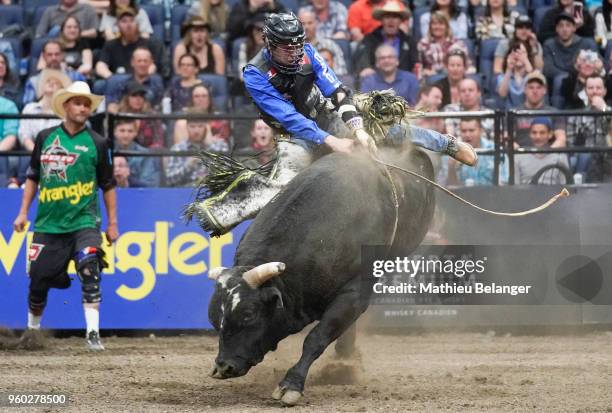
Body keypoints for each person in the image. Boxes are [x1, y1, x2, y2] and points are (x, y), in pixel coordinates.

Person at [192, 12, 478, 236]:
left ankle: (448, 144)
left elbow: (336, 89)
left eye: (297, 45)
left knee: (391, 130)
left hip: (329, 112)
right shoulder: (255, 74)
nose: (295, 52)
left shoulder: (307, 51)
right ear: (270, 44)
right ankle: (228, 210)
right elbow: (289, 117)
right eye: (286, 48)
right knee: (281, 185)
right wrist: (332, 141)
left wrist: (358, 129)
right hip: (295, 136)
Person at [12, 81, 117, 351]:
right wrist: (23, 211)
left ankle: (93, 334)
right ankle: (32, 332)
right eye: (78, 103)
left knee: (90, 266)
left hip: (84, 221)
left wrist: (113, 222)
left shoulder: (98, 142)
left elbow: (108, 184)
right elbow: (32, 176)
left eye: (87, 104)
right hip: (48, 224)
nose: (83, 108)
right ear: (66, 106)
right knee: (38, 281)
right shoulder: (45, 137)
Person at [95, 7, 168, 80]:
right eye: (124, 21)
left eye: (132, 20)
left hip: (144, 81)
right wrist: (112, 78)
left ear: (137, 24)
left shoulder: (151, 44)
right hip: (119, 82)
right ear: (117, 25)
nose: (128, 25)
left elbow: (154, 67)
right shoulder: (111, 45)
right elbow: (101, 65)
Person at [353, 1, 418, 78]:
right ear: (381, 20)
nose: (391, 20)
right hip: (376, 81)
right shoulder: (370, 39)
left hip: (403, 83)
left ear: (400, 21)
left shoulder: (409, 41)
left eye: (395, 17)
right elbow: (364, 61)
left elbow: (415, 64)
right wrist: (366, 68)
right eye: (387, 17)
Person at [566, 75, 612, 182]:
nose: (594, 91)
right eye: (591, 88)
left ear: (604, 91)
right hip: (586, 161)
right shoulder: (576, 117)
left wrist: (604, 109)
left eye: (598, 88)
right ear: (586, 92)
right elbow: (571, 146)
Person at [166, 109, 227, 187]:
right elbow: (169, 179)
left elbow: (227, 174)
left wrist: (210, 146)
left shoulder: (220, 146)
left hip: (212, 191)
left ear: (206, 127)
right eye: (192, 126)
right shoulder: (178, 149)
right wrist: (187, 166)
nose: (196, 131)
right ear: (187, 127)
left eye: (200, 126)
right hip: (186, 192)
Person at [19, 70, 71, 153]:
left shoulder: (64, 112)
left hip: (56, 154)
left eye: (56, 83)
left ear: (62, 91)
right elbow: (24, 135)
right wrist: (36, 153)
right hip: (30, 153)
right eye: (48, 81)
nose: (51, 83)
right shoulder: (29, 108)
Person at [445, 117, 507, 186]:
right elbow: (451, 188)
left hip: (492, 194)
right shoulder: (453, 152)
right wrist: (451, 168)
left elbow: (503, 183)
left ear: (481, 131)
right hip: (463, 195)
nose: (467, 135)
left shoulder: (495, 150)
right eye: (464, 131)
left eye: (471, 130)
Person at [23, 40, 86, 106]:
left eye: (57, 54)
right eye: (49, 55)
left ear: (62, 55)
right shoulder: (33, 81)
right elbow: (28, 107)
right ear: (44, 56)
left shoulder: (76, 76)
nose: (54, 58)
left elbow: (85, 102)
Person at [513, 71, 567, 148]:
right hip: (521, 155)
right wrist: (521, 153)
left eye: (539, 87)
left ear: (544, 90)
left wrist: (547, 153)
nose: (535, 91)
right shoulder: (514, 113)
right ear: (525, 90)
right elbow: (507, 139)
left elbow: (561, 139)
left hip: (548, 155)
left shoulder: (554, 113)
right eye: (531, 87)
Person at [542, 12, 598, 83]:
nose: (564, 29)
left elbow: (598, 65)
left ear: (574, 28)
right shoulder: (549, 44)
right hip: (559, 79)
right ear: (556, 29)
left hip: (583, 78)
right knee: (560, 80)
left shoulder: (587, 43)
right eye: (561, 26)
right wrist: (568, 76)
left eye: (568, 25)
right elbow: (548, 68)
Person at [105, 47, 165, 113]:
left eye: (145, 61)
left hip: (148, 118)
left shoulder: (156, 83)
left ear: (151, 62)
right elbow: (112, 103)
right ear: (132, 62)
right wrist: (113, 106)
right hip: (125, 118)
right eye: (139, 61)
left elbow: (159, 104)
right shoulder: (122, 83)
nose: (142, 64)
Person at [417, 12, 473, 80]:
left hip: (454, 78)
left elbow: (467, 65)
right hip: (431, 79)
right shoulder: (423, 44)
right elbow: (418, 66)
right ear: (430, 27)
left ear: (446, 26)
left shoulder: (458, 44)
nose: (437, 27)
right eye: (434, 24)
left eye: (441, 24)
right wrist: (424, 72)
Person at [514, 118, 570, 185]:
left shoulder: (560, 157)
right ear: (529, 134)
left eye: (542, 133)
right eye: (534, 133)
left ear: (550, 134)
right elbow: (515, 186)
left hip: (552, 194)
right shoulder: (518, 157)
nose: (538, 137)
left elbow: (566, 185)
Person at [298, 9, 348, 76]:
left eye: (310, 23)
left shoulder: (330, 45)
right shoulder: (294, 49)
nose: (306, 27)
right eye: (303, 24)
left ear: (316, 23)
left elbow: (341, 72)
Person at [117, 81, 165, 149]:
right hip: (123, 154)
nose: (138, 99)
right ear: (127, 98)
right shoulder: (119, 115)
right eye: (134, 95)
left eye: (141, 96)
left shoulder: (152, 116)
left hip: (148, 154)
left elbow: (158, 140)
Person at [113, 119, 160, 187]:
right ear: (115, 132)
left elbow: (150, 185)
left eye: (130, 131)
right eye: (122, 131)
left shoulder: (144, 154)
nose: (126, 135)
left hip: (137, 195)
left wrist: (128, 179)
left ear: (136, 133)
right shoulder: (106, 152)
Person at [496, 42, 533, 108]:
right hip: (509, 114)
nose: (518, 56)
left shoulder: (534, 74)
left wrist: (527, 63)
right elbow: (502, 94)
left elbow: (535, 88)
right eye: (516, 52)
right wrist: (509, 69)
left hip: (529, 114)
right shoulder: (502, 77)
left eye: (522, 53)